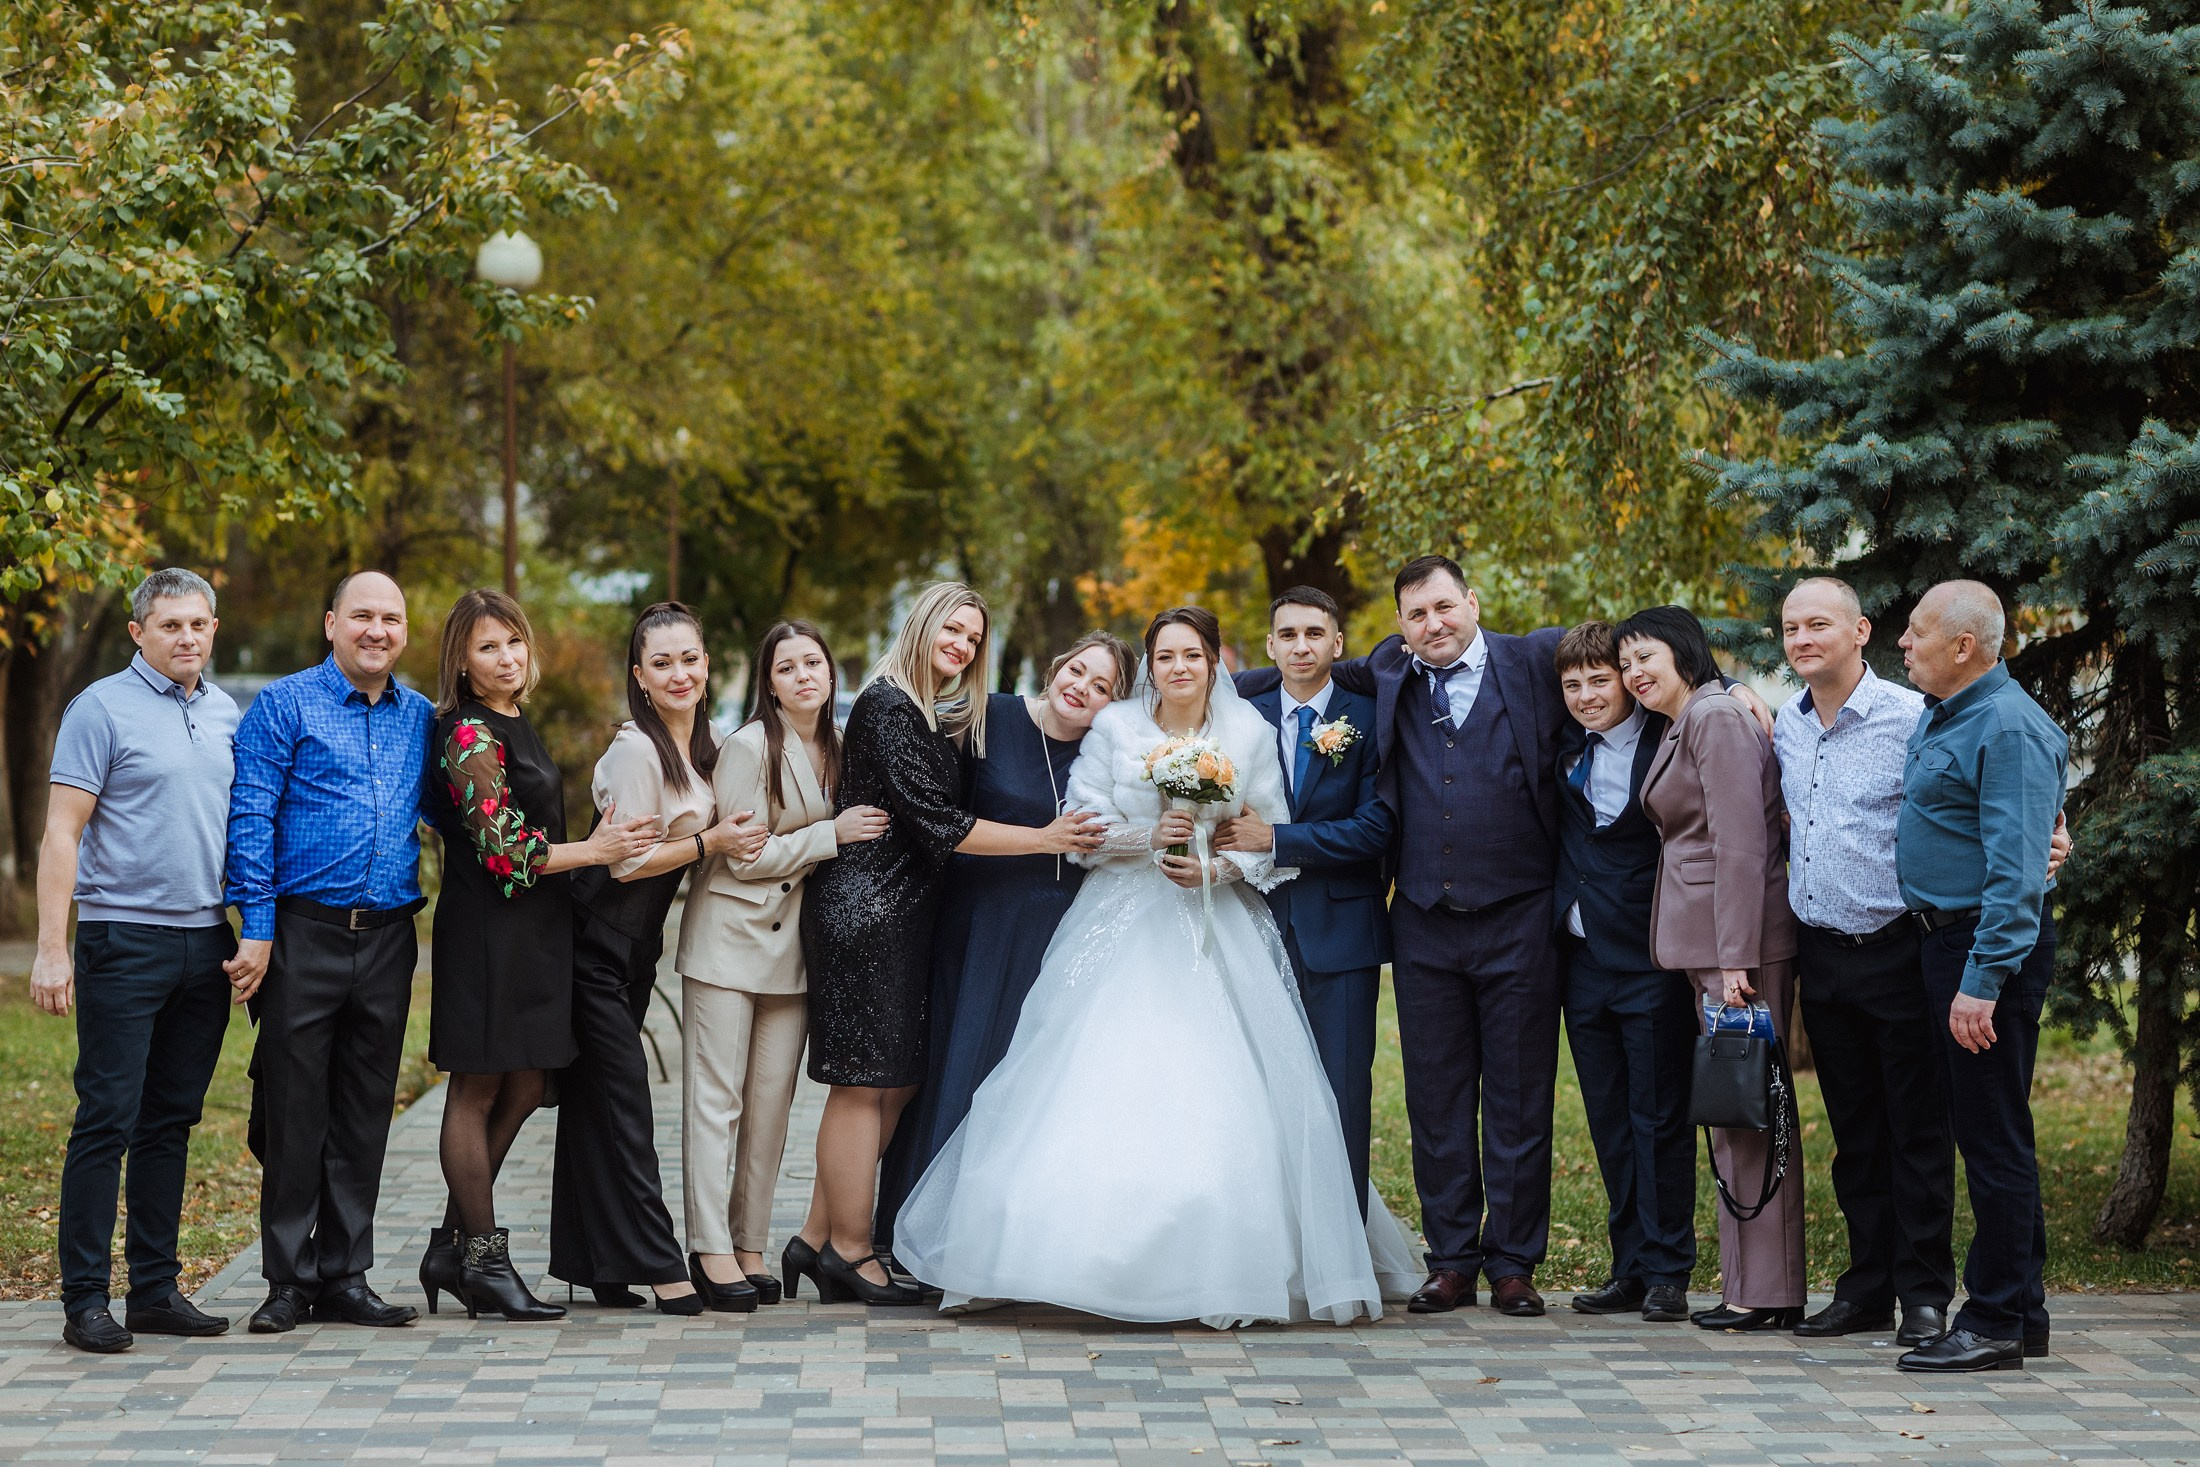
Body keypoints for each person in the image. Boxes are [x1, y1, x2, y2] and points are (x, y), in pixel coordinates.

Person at [894, 606, 1386, 1328]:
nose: (1179, 667)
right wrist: (1147, 837)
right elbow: (1083, 834)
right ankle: (1047, 1257)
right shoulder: (1117, 730)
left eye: (1192, 654)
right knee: (1075, 1072)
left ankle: (1223, 1260)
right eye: (1164, 656)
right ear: (1149, 665)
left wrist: (1215, 868)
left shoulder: (1246, 734)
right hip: (1117, 916)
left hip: (1214, 924)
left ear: (1215, 661)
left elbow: (1263, 838)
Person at [1236, 555, 1571, 1317]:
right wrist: (1198, 694)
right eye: (1416, 615)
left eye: (1445, 607)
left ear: (1472, 601)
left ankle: (1513, 1261)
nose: (1434, 624)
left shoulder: (1532, 659)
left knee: (1520, 1097)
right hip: (1421, 918)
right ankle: (1451, 1259)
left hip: (1520, 914)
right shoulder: (1385, 675)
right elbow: (1295, 667)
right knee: (1436, 1095)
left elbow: (1627, 662)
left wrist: (1724, 687)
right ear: (1397, 627)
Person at [788, 583, 1102, 1305]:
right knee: (863, 1085)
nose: (960, 645)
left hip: (909, 912)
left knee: (893, 1084)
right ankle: (852, 1250)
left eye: (971, 637)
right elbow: (944, 825)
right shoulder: (889, 704)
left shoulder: (932, 708)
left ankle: (813, 1235)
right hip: (868, 910)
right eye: (950, 630)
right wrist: (1047, 837)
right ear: (923, 625)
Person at [417, 590, 661, 1321]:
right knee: (477, 1087)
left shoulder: (514, 720)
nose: (507, 657)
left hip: (538, 933)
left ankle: (451, 1244)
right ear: (461, 659)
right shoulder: (463, 732)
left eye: (515, 642)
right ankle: (485, 1259)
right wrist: (597, 848)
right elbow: (503, 850)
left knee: (525, 1085)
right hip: (488, 933)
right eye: (488, 646)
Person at [873, 630, 1136, 1254]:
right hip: (977, 924)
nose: (1082, 689)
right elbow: (933, 805)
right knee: (954, 1066)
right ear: (1055, 666)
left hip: (1058, 934)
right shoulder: (989, 716)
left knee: (1020, 1079)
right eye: (1077, 670)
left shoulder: (1111, 755)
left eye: (1102, 688)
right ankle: (907, 1233)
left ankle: (989, 1240)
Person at [35, 569, 241, 1353]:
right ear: (138, 632)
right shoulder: (99, 708)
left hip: (206, 941)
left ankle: (154, 1288)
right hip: (123, 938)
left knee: (172, 1121)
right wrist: (54, 948)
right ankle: (85, 1298)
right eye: (170, 626)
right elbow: (63, 831)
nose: (186, 638)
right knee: (107, 1120)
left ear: (213, 629)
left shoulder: (225, 712)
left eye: (198, 624)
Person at [224, 570, 433, 1334]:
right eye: (362, 616)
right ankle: (287, 1278)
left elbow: (465, 810)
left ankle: (346, 1274)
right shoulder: (283, 705)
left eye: (391, 618)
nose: (377, 630)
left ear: (405, 631)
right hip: (301, 933)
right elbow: (250, 816)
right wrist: (256, 926)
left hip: (387, 940)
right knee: (293, 1111)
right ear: (330, 623)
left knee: (363, 1113)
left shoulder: (420, 717)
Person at [551, 601, 764, 1315]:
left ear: (707, 666)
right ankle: (660, 1261)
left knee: (592, 1107)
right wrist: (712, 843)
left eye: (690, 659)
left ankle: (599, 1265)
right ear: (639, 676)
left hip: (635, 951)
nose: (679, 672)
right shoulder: (638, 749)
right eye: (662, 662)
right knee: (624, 1104)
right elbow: (625, 865)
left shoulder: (704, 746)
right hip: (591, 943)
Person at [675, 620, 887, 1307]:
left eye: (814, 663)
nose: (803, 676)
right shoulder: (747, 747)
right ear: (769, 681)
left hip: (794, 954)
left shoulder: (843, 747)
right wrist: (830, 833)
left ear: (831, 672)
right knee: (718, 1102)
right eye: (787, 666)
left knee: (770, 1105)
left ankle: (749, 1244)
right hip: (731, 943)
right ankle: (709, 1248)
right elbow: (742, 852)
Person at [1773, 577, 1953, 1348]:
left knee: (1915, 1130)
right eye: (1790, 627)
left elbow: (1986, 784)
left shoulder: (1912, 717)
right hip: (1824, 955)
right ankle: (1865, 1287)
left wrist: (2053, 836)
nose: (1803, 638)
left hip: (1898, 951)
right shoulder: (1784, 720)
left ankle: (1923, 1293)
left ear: (1860, 631)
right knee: (1856, 1135)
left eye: (1819, 624)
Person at [1893, 581, 2067, 1375]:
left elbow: (2015, 872)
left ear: (1963, 644)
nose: (1904, 641)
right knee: (1991, 1131)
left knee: (1993, 1139)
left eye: (1917, 631)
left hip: (1981, 952)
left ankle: (1994, 1317)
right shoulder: (1948, 713)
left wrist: (1983, 977)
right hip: (1949, 945)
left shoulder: (2006, 723)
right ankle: (2022, 1311)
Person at [1618, 604, 1804, 1332]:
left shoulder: (1714, 717)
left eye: (1645, 657)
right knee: (1736, 1113)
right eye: (1625, 661)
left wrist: (1735, 961)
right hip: (1712, 954)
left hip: (1738, 955)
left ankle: (1765, 1290)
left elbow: (1740, 844)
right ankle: (1751, 1285)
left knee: (1750, 1113)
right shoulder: (1687, 718)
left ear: (1684, 652)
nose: (1634, 673)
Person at [1215, 587, 1392, 1218]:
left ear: (1337, 644)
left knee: (1342, 1090)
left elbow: (1379, 827)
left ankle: (1340, 1247)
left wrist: (1279, 840)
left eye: (1314, 634)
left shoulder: (1369, 716)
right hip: (1245, 923)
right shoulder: (1239, 713)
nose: (1301, 646)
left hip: (1340, 928)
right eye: (1287, 635)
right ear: (1270, 645)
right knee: (1251, 1087)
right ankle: (1267, 1236)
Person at [1548, 621, 1696, 1325]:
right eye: (1572, 684)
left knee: (1659, 1116)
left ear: (1627, 679)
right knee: (1609, 1119)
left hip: (1650, 958)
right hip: (1581, 964)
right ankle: (1628, 1264)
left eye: (1599, 679)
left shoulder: (1668, 740)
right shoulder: (1564, 745)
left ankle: (1669, 1267)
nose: (1585, 695)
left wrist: (1729, 687)